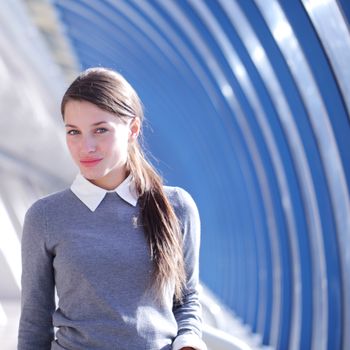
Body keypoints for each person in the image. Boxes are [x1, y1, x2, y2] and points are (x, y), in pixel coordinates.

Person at [17, 67, 206, 350]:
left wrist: (189, 342)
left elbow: (187, 298)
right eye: (74, 132)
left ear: (132, 129)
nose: (86, 146)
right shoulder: (45, 216)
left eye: (100, 130)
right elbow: (34, 322)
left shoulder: (176, 207)